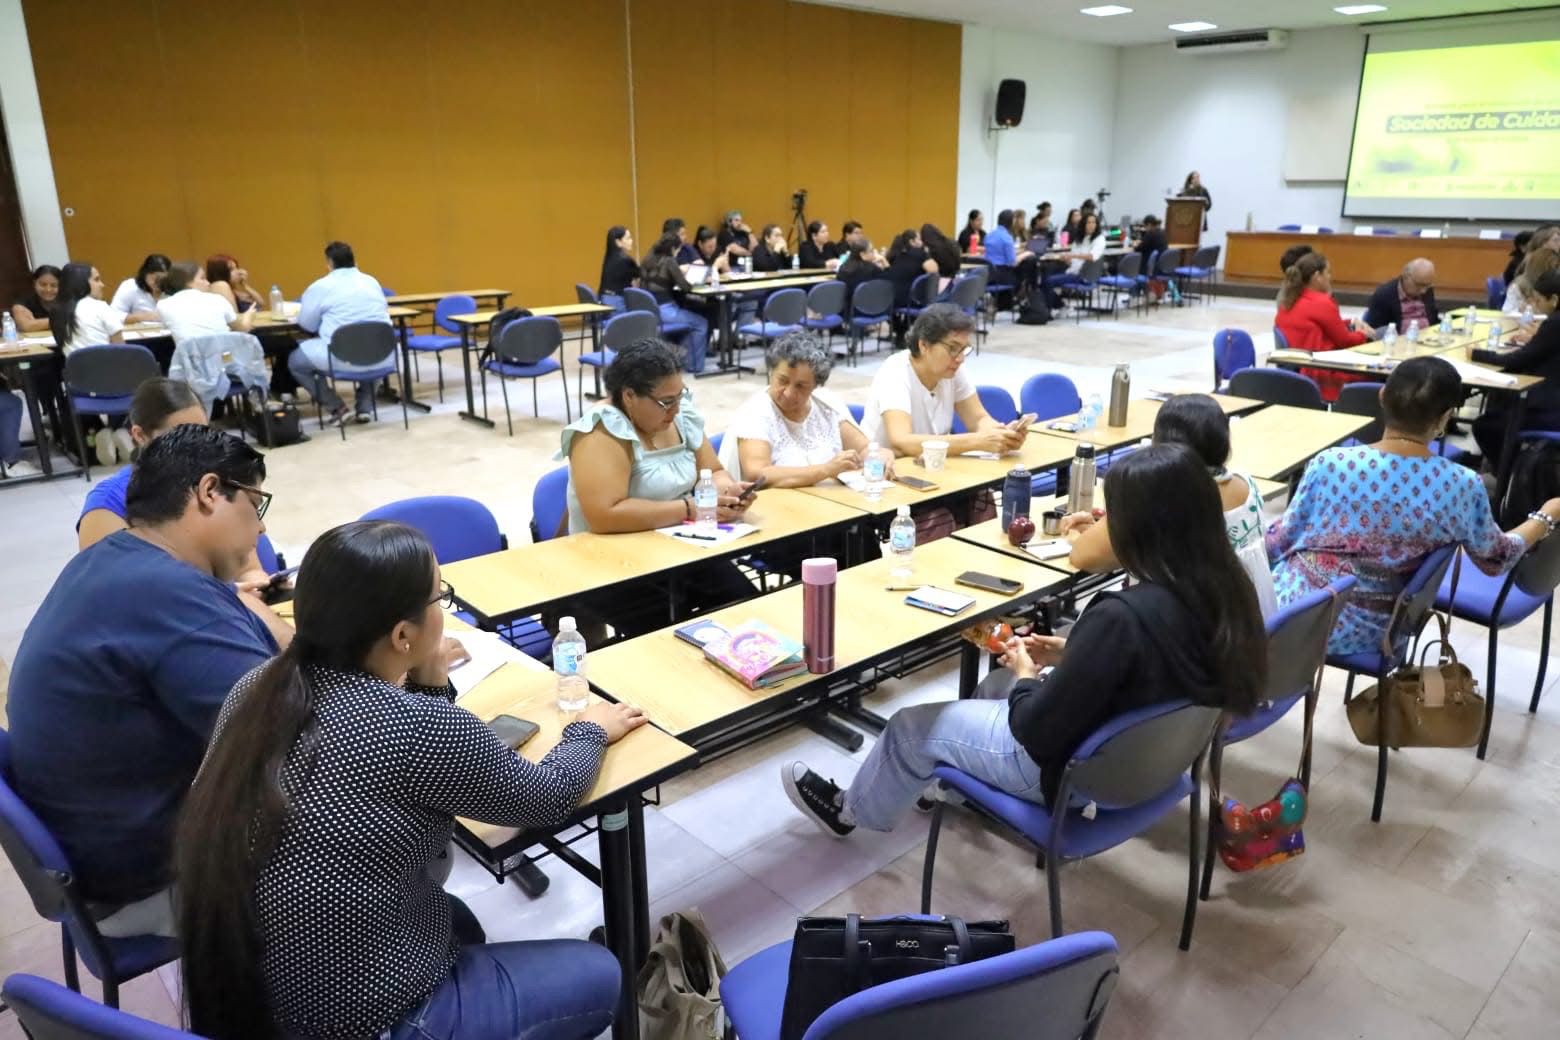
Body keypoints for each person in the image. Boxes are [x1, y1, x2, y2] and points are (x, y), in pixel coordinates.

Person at [174, 520, 633, 1040]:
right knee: (601, 976)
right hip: (358, 1018)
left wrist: (430, 683)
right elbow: (548, 797)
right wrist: (589, 732)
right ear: (402, 635)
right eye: (440, 598)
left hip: (261, 990)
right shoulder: (411, 725)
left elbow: (415, 769)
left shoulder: (256, 687)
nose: (446, 611)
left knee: (458, 921)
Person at [780, 443, 1266, 838]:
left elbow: (1035, 730)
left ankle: (848, 812)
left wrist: (1028, 677)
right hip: (1150, 765)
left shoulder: (1123, 617)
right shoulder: (1223, 588)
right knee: (992, 690)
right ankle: (943, 780)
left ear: (1140, 527)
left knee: (910, 726)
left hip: (1072, 773)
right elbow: (1154, 669)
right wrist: (1072, 654)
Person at [5, 425, 283, 937]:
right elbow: (289, 732)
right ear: (208, 493)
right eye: (255, 505)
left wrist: (242, 608)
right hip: (148, 880)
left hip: (98, 845)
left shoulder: (112, 560)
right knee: (403, 841)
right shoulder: (172, 596)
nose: (261, 532)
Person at [1268, 356, 1560, 656]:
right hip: (1375, 629)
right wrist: (1547, 514)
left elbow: (1280, 542)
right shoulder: (1461, 485)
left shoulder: (1329, 463)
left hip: (1295, 618)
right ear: (1446, 416)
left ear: (1382, 397)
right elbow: (1496, 559)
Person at [1065, 394, 1278, 617]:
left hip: (1193, 632)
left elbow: (1083, 556)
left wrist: (1117, 519)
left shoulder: (1163, 501)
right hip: (1252, 622)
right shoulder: (1246, 484)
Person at [76, 378, 276, 588]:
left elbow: (249, 569)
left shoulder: (215, 480)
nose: (198, 445)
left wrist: (258, 586)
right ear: (139, 435)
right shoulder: (109, 502)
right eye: (178, 434)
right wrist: (233, 594)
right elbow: (116, 589)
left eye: (203, 432)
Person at [559, 337, 749, 533]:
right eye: (666, 402)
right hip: (616, 550)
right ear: (629, 396)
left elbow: (713, 471)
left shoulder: (679, 413)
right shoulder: (602, 429)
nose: (675, 410)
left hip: (680, 537)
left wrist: (727, 494)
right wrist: (688, 509)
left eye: (679, 397)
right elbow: (605, 517)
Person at [863, 304, 1025, 458]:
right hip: (885, 471)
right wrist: (977, 441)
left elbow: (978, 419)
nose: (960, 358)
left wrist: (1001, 434)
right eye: (953, 348)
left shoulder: (953, 369)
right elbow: (901, 441)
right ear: (924, 345)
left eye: (964, 349)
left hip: (932, 464)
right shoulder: (895, 371)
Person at [720, 331, 873, 486]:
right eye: (782, 381)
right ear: (771, 372)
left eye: (801, 386)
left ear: (815, 386)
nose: (788, 393)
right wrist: (826, 470)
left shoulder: (826, 404)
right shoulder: (755, 413)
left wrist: (879, 455)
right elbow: (758, 474)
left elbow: (865, 448)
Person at [288, 241, 392, 425]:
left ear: (329, 263)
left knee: (296, 362)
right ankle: (365, 407)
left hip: (341, 355)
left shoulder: (320, 286)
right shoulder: (372, 281)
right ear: (355, 261)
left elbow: (307, 325)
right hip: (383, 352)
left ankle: (337, 408)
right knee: (371, 350)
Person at [1472, 269, 1560, 461]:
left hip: (1551, 411)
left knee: (1486, 425)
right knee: (1499, 408)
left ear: (1553, 299)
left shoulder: (1554, 324)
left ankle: (1508, 475)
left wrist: (1476, 353)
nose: (1534, 306)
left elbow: (1515, 361)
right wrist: (1536, 339)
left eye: (1538, 300)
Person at [1274, 251, 1375, 401]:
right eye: (1327, 272)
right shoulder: (1322, 302)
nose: (1330, 277)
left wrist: (1350, 323)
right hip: (1324, 373)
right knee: (1378, 377)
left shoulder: (1289, 297)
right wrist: (1363, 333)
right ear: (1317, 276)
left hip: (1299, 367)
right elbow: (1346, 341)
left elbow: (1319, 324)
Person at [640, 234, 712, 373]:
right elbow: (685, 287)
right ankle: (693, 365)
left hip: (649, 312)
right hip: (666, 311)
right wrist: (698, 281)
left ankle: (680, 356)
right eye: (678, 250)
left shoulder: (647, 259)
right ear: (673, 248)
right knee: (701, 323)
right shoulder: (669, 261)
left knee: (690, 321)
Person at [156, 261, 258, 344]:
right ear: (189, 282)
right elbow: (241, 329)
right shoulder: (217, 300)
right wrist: (248, 315)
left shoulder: (163, 305)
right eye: (203, 278)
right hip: (225, 361)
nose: (208, 283)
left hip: (191, 365)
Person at [49, 262, 125, 353]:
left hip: (75, 366)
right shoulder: (100, 307)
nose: (102, 285)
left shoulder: (57, 311)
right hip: (107, 365)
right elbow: (121, 350)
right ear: (81, 282)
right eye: (96, 280)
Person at [1362, 258, 1441, 333]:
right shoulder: (1384, 295)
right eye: (1419, 285)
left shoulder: (1427, 289)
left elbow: (1434, 319)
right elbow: (1374, 331)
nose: (1423, 291)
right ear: (1405, 276)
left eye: (1427, 285)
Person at [982, 208, 1037, 297]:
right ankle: (1025, 295)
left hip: (989, 275)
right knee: (1027, 267)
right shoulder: (1007, 238)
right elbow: (1013, 262)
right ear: (1011, 222)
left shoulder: (989, 235)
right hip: (1002, 276)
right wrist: (1027, 253)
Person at [110, 254, 170, 324]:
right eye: (156, 278)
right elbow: (112, 316)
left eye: (164, 279)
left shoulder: (173, 288)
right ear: (145, 273)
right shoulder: (130, 286)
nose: (159, 283)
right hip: (138, 333)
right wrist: (141, 317)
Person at [1500, 247, 1559, 316]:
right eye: (1555, 267)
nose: (1557, 271)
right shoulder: (1519, 285)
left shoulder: (1556, 284)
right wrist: (1521, 311)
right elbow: (1507, 312)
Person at [597, 225, 639, 310]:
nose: (631, 241)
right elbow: (639, 280)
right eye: (628, 238)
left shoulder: (609, 258)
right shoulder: (626, 260)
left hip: (603, 300)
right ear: (618, 242)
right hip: (617, 304)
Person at [10, 264, 60, 333]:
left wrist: (37, 324)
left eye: (54, 285)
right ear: (34, 284)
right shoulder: (23, 303)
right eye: (43, 285)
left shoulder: (68, 300)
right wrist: (62, 320)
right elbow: (26, 326)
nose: (48, 289)